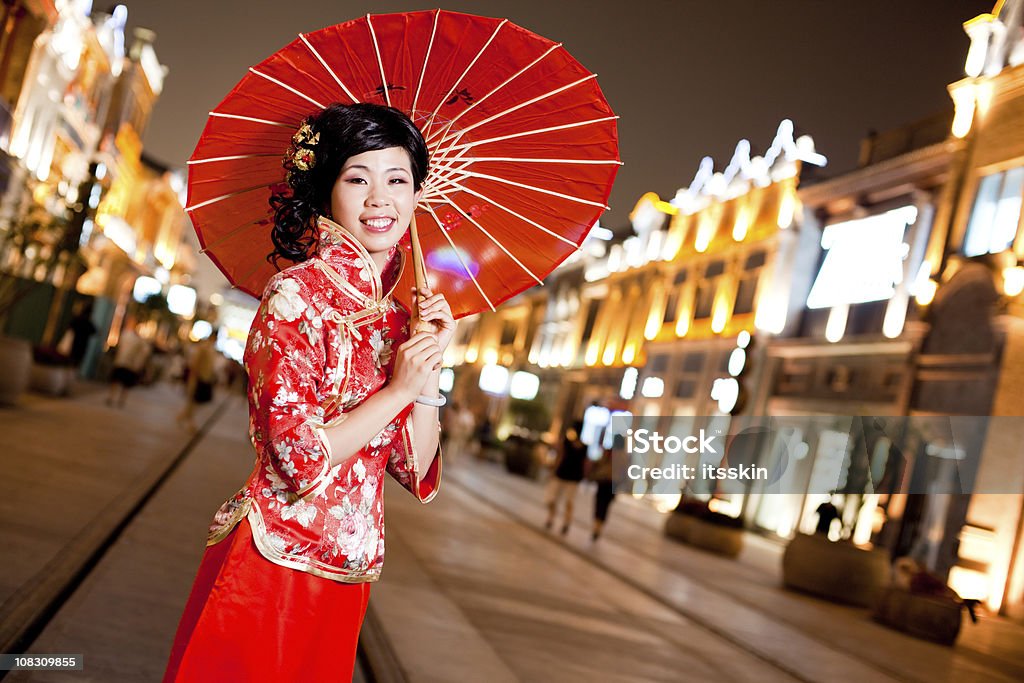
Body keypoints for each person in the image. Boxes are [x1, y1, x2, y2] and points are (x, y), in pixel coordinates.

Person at [163, 103, 455, 682]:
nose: (380, 198)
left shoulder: (399, 323)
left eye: (397, 180)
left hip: (348, 573)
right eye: (357, 178)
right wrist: (398, 390)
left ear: (416, 197)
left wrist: (428, 372)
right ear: (327, 192)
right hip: (272, 560)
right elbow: (297, 459)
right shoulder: (293, 297)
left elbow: (414, 468)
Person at [545, 420, 587, 535]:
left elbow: (560, 457)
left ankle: (562, 522)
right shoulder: (570, 443)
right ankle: (554, 518)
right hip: (565, 475)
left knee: (566, 501)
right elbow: (560, 457)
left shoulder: (579, 445)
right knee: (554, 499)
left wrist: (553, 470)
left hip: (569, 476)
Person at [176, 333, 220, 433]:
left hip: (204, 379)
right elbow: (195, 362)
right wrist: (193, 378)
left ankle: (182, 418)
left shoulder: (210, 349)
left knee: (194, 403)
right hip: (198, 378)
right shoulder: (203, 347)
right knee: (193, 402)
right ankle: (188, 422)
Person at [106, 321, 151, 408]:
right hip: (129, 365)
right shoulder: (135, 338)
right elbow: (145, 353)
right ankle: (119, 400)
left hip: (123, 362)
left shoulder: (127, 335)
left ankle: (113, 398)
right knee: (123, 383)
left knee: (117, 381)